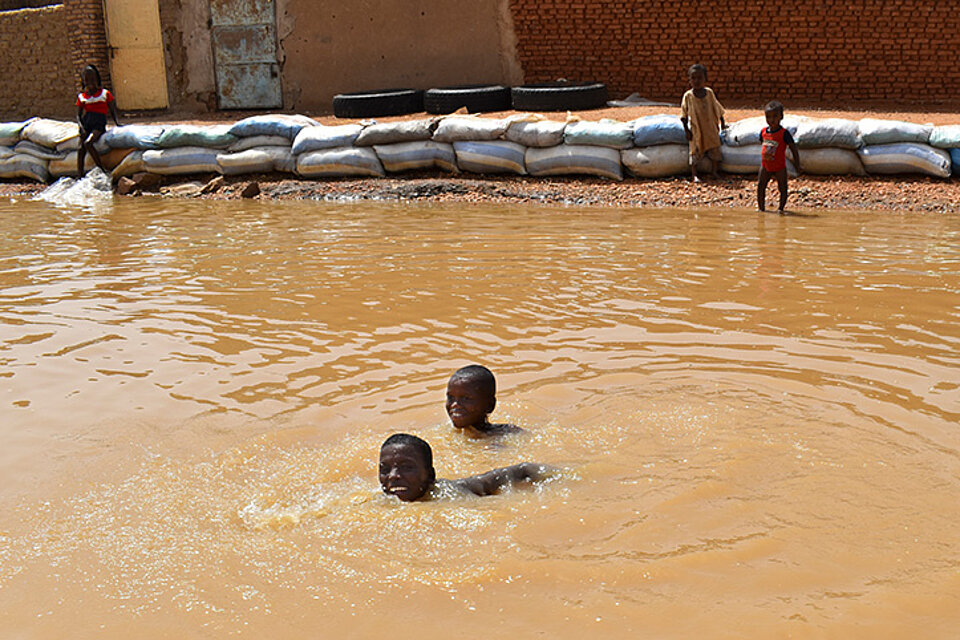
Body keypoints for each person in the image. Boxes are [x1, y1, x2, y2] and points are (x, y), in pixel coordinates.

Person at [378, 433, 553, 502]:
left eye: (406, 467)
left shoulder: (454, 497)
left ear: (430, 475)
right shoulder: (374, 502)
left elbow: (523, 472)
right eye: (385, 468)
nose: (393, 476)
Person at [445, 365, 522, 437]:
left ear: (490, 406)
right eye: (450, 397)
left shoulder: (505, 436)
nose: (455, 404)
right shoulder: (447, 434)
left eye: (466, 398)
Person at [680, 63, 727, 183]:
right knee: (695, 150)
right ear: (689, 80)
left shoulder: (709, 93)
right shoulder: (688, 96)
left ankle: (714, 171)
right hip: (696, 129)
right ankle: (694, 174)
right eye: (693, 78)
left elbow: (717, 108)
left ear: (705, 79)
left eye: (700, 78)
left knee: (715, 149)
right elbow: (683, 115)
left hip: (710, 128)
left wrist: (722, 122)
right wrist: (686, 130)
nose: (696, 81)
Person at [75, 64, 120, 178]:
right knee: (80, 149)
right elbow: (78, 115)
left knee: (88, 143)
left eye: (92, 79)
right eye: (87, 80)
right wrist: (81, 127)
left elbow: (112, 110)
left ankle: (101, 169)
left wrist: (117, 123)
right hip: (86, 124)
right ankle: (79, 175)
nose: (90, 82)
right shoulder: (82, 97)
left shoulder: (105, 94)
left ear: (97, 79)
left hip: (98, 125)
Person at [757, 101, 801, 213]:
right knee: (761, 187)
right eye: (768, 117)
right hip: (765, 166)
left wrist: (797, 164)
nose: (771, 120)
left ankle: (781, 209)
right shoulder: (763, 132)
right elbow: (762, 143)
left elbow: (793, 149)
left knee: (782, 188)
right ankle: (761, 209)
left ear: (781, 117)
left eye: (775, 116)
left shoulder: (784, 133)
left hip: (780, 167)